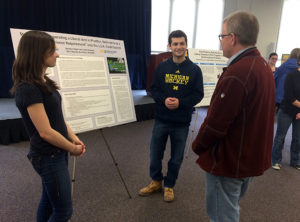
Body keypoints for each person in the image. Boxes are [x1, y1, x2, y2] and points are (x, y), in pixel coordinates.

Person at [192, 11, 275, 222]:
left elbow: (216, 124)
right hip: (247, 155)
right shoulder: (263, 66)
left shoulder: (239, 72)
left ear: (233, 38)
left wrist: (197, 146)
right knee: (230, 208)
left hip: (229, 160)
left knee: (223, 216)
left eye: (221, 37)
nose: (220, 42)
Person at [10, 30, 86, 222]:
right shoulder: (28, 88)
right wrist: (72, 148)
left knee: (48, 201)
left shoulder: (44, 82)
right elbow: (45, 132)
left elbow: (57, 119)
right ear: (38, 54)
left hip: (57, 152)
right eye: (52, 51)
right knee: (63, 212)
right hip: (48, 155)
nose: (57, 54)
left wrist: (73, 137)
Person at [139, 30, 204, 202]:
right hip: (161, 119)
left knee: (176, 157)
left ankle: (169, 185)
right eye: (175, 44)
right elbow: (154, 89)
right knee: (155, 154)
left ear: (186, 45)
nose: (178, 47)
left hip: (181, 122)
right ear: (169, 46)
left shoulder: (194, 70)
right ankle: (156, 181)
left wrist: (181, 103)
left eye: (181, 43)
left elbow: (198, 94)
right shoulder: (161, 67)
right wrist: (164, 99)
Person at [272, 59, 300, 170]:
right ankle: (276, 160)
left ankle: (295, 161)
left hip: (299, 112)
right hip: (286, 109)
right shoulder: (291, 75)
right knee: (280, 137)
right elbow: (289, 97)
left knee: (298, 138)